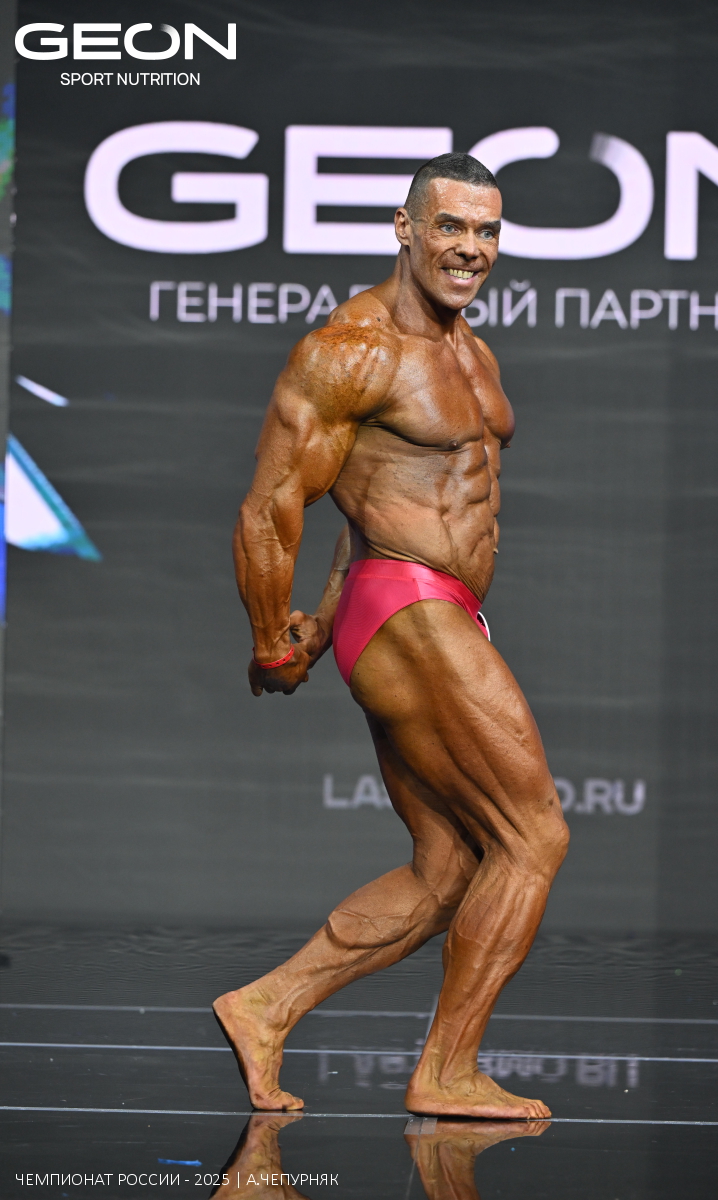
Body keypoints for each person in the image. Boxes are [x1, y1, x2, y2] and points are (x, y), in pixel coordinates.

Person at [214, 153, 570, 1120]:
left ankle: (266, 1006)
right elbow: (271, 506)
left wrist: (328, 619)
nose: (471, 248)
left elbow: (368, 506)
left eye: (487, 230)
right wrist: (271, 641)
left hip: (409, 601)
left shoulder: (474, 352)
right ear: (405, 228)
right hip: (410, 607)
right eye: (451, 225)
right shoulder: (352, 349)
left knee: (448, 867)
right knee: (534, 834)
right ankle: (447, 1071)